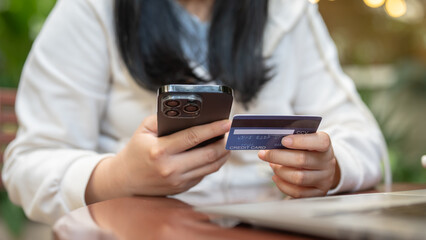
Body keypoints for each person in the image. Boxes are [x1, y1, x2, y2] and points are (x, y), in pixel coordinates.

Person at [2, 0, 388, 225]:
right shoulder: (91, 10)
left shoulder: (289, 11)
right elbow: (27, 164)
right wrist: (117, 176)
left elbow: (363, 137)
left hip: (274, 226)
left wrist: (331, 168)